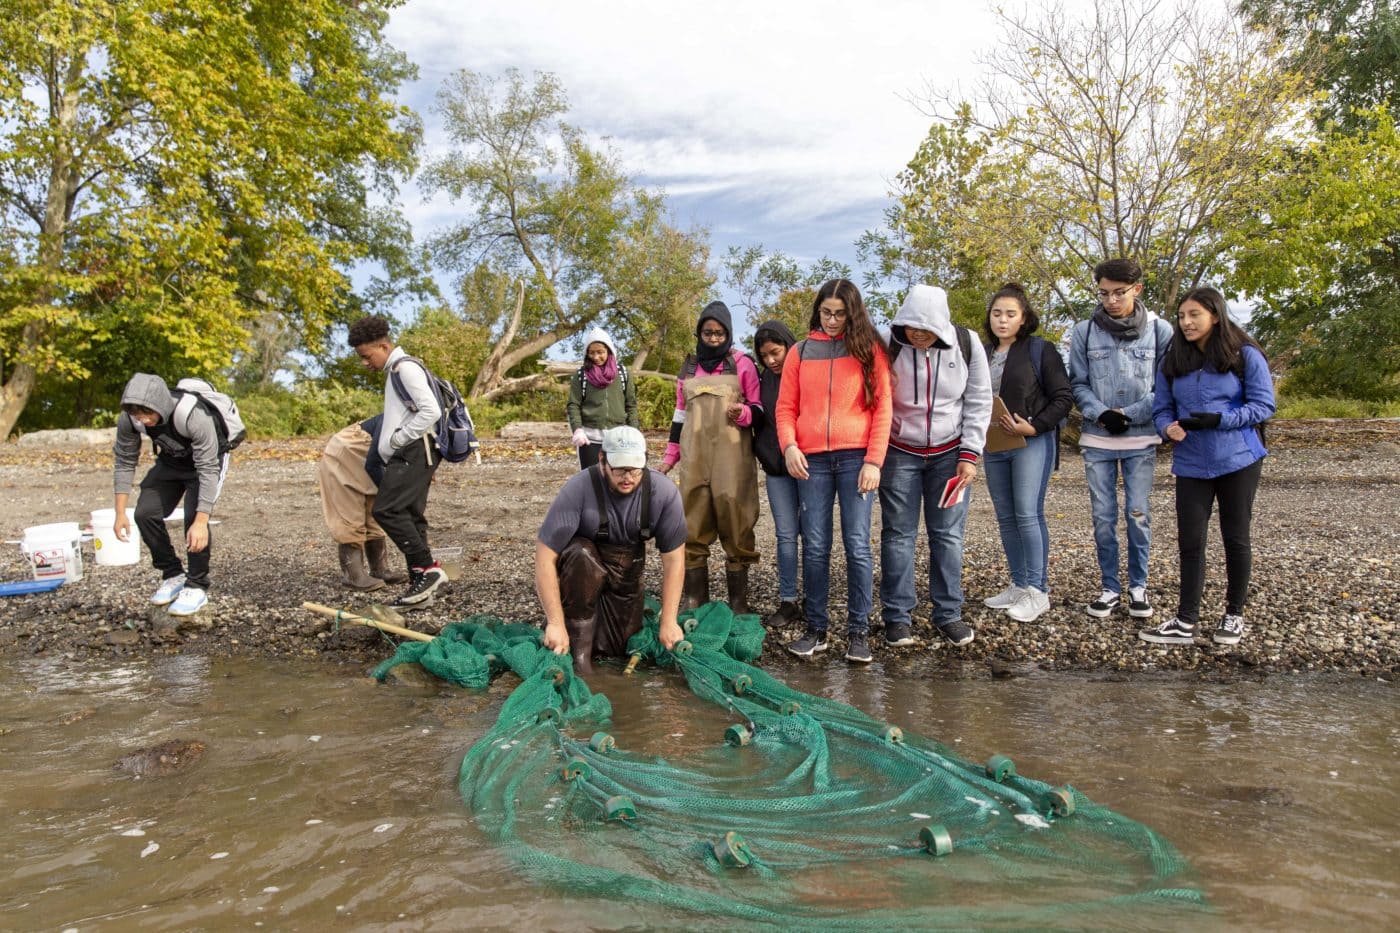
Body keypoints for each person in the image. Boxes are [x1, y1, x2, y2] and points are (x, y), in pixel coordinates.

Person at [1142, 287, 1274, 646]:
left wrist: (1220, 419)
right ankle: (1186, 621)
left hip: (1239, 459)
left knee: (1235, 537)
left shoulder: (1244, 354)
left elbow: (1263, 406)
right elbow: (1161, 410)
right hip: (1191, 462)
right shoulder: (1172, 360)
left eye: (1194, 315)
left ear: (1215, 315)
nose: (1185, 322)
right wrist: (1166, 428)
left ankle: (1233, 615)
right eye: (1182, 316)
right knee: (1190, 542)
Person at [776, 279, 892, 663]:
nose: (832, 320)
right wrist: (789, 446)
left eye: (840, 314)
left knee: (857, 546)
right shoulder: (800, 351)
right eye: (826, 312)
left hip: (857, 458)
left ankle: (859, 633)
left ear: (852, 313)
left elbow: (883, 409)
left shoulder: (870, 349)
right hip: (812, 461)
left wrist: (875, 460)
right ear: (818, 310)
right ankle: (816, 630)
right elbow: (785, 408)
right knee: (816, 546)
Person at [880, 285, 993, 647]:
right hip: (899, 452)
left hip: (950, 453)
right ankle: (897, 617)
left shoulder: (967, 343)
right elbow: (873, 394)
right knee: (898, 536)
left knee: (947, 536)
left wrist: (970, 454)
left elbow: (978, 399)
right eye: (912, 326)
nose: (918, 334)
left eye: (927, 329)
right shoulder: (887, 342)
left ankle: (948, 613)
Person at [1068, 258, 1173, 621]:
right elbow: (1078, 383)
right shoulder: (1084, 331)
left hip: (1141, 438)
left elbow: (1164, 387)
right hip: (1097, 439)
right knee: (1102, 516)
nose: (1111, 300)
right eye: (1104, 293)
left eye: (1119, 293)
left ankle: (1138, 586)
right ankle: (1110, 587)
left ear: (1136, 290)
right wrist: (1100, 413)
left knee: (1138, 513)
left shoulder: (1161, 331)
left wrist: (1129, 415)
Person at [536, 426, 688, 673]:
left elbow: (674, 561)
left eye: (634, 468)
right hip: (581, 575)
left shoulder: (664, 493)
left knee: (615, 652)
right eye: (619, 468)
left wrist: (669, 621)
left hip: (625, 581)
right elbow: (544, 558)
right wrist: (555, 623)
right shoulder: (578, 489)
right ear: (602, 461)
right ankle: (577, 652)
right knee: (580, 554)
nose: (627, 477)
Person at [658, 301, 762, 614]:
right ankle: (694, 598)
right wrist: (669, 457)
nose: (714, 338)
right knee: (693, 521)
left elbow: (758, 409)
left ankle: (738, 601)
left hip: (733, 458)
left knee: (736, 517)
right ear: (699, 333)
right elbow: (679, 417)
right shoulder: (688, 368)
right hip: (695, 458)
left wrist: (743, 413)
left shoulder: (742, 363)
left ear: (728, 333)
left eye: (719, 333)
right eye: (708, 332)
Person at [980, 283, 1074, 623]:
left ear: (1023, 318)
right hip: (994, 446)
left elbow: (1063, 397)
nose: (1002, 320)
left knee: (1027, 514)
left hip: (1031, 442)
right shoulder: (982, 352)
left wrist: (1034, 426)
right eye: (996, 314)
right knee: (1005, 516)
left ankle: (1038, 590)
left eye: (1010, 314)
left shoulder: (1041, 350)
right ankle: (1019, 584)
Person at [348, 315, 446, 611]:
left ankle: (428, 571)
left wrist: (397, 440)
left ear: (384, 345)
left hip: (415, 451)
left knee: (386, 510)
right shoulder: (396, 371)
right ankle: (420, 584)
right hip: (414, 451)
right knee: (411, 514)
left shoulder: (405, 369)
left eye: (367, 356)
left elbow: (430, 412)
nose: (365, 362)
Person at [112, 374, 230, 616]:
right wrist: (120, 512)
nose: (143, 420)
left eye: (147, 414)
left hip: (205, 465)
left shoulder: (193, 415)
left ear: (160, 406)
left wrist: (200, 521)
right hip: (171, 462)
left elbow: (208, 469)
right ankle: (173, 574)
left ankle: (197, 586)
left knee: (193, 520)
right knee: (145, 513)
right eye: (137, 416)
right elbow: (124, 461)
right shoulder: (130, 418)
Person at [750, 319, 803, 628]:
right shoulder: (763, 380)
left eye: (776, 352)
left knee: (813, 535)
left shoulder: (806, 372)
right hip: (776, 469)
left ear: (788, 346)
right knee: (785, 535)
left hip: (809, 468)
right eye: (764, 356)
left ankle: (814, 596)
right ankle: (788, 600)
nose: (771, 360)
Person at [317, 415, 407, 590]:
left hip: (370, 457)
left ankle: (380, 569)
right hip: (344, 454)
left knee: (375, 510)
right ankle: (353, 575)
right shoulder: (397, 418)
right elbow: (375, 463)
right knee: (348, 512)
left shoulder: (423, 426)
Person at [566, 327, 639, 470]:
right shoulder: (582, 375)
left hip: (618, 438)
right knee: (591, 480)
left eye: (600, 352)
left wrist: (634, 431)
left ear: (609, 351)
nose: (596, 357)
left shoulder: (623, 374)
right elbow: (573, 404)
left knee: (617, 479)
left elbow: (631, 404)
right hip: (589, 439)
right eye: (591, 352)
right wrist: (577, 430)